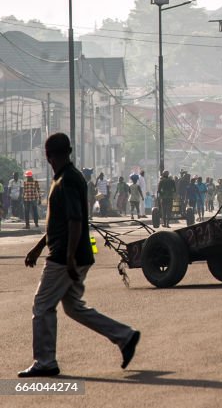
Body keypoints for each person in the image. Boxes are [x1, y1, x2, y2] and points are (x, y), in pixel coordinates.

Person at [19, 132, 140, 378]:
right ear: (69, 151)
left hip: (64, 256)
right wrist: (39, 246)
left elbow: (75, 221)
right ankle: (125, 336)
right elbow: (63, 222)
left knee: (42, 305)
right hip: (69, 252)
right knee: (73, 307)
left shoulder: (68, 180)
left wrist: (70, 257)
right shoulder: (67, 178)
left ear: (48, 155)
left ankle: (45, 362)